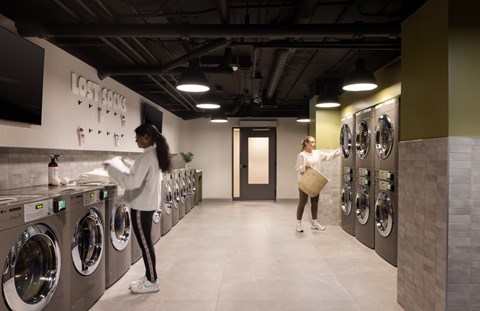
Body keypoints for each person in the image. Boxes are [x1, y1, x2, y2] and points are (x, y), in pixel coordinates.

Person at [104, 123, 171, 294]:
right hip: (146, 205)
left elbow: (131, 182)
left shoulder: (147, 157)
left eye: (137, 137)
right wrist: (125, 161)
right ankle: (149, 275)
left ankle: (152, 280)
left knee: (145, 244)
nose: (135, 140)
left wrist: (111, 169)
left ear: (146, 137)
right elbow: (139, 173)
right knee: (146, 243)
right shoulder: (153, 155)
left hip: (141, 208)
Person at [295, 136, 341, 232]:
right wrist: (305, 166)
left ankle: (315, 223)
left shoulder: (317, 153)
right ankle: (298, 224)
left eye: (314, 142)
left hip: (316, 181)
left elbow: (329, 156)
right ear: (306, 144)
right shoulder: (301, 155)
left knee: (315, 203)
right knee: (302, 203)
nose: (314, 144)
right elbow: (297, 168)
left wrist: (342, 149)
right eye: (312, 142)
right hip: (305, 182)